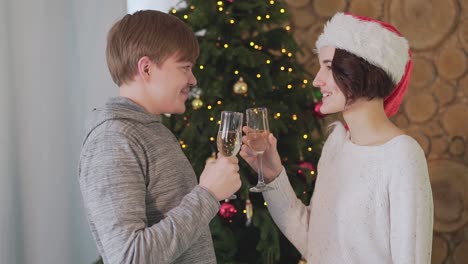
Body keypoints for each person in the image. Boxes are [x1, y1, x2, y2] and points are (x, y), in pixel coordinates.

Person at [240, 12, 433, 263]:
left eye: (329, 67)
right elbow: (314, 242)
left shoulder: (402, 155)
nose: (316, 80)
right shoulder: (336, 145)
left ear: (363, 70)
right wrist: (272, 173)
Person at [78, 10, 241, 264]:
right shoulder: (113, 140)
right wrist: (208, 194)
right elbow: (129, 257)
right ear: (146, 69)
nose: (193, 79)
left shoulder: (151, 129)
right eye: (185, 67)